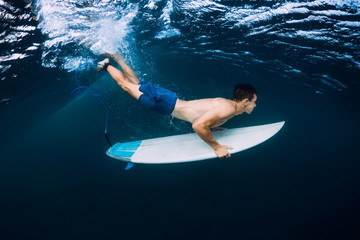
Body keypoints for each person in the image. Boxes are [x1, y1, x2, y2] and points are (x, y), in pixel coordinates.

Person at [98, 52, 257, 159]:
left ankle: (118, 58)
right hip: (165, 104)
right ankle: (106, 65)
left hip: (168, 102)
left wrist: (213, 126)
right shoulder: (228, 109)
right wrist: (216, 147)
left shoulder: (227, 105)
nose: (255, 106)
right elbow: (198, 125)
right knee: (126, 86)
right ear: (245, 101)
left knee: (135, 84)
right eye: (254, 102)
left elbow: (205, 116)